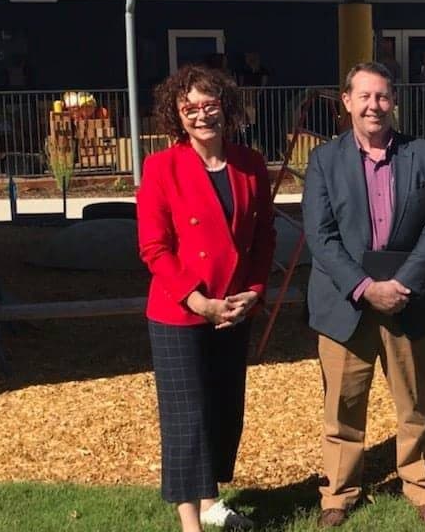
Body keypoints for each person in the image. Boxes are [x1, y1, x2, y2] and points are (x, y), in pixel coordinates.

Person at [302, 61, 425, 527]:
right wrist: (367, 287)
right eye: (364, 96)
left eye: (382, 96)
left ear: (394, 102)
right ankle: (339, 493)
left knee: (415, 403)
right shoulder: (324, 160)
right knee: (343, 407)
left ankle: (422, 485)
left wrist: (400, 284)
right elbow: (320, 235)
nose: (374, 105)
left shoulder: (423, 154)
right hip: (345, 303)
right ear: (346, 101)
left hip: (409, 299)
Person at [136, 63, 276, 532]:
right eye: (189, 107)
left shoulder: (249, 164)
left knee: (222, 408)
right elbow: (154, 247)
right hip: (180, 311)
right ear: (176, 114)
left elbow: (263, 239)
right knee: (185, 415)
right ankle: (189, 522)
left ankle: (211, 499)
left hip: (233, 309)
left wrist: (254, 292)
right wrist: (195, 300)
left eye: (209, 105)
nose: (200, 115)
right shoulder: (161, 167)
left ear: (226, 107)